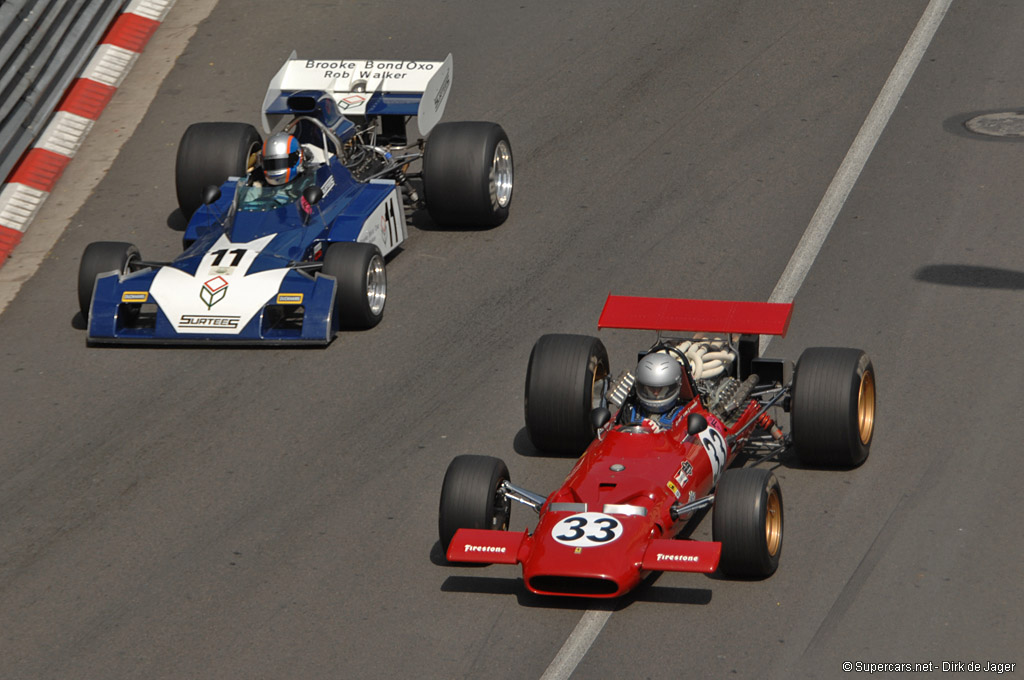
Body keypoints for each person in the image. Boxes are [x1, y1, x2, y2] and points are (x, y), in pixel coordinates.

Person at [621, 352, 688, 432]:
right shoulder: (630, 412)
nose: (655, 393)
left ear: (672, 387)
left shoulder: (682, 415)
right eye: (651, 389)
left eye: (661, 389)